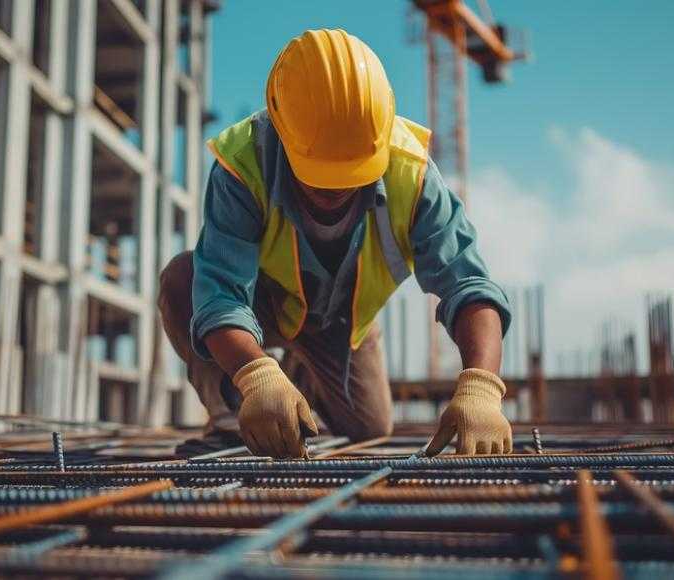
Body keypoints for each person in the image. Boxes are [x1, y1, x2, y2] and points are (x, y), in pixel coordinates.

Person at [159, 29, 512, 459]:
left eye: (350, 173)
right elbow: (220, 296)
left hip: (341, 319)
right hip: (263, 303)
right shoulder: (244, 164)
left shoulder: (413, 175)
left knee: (369, 429)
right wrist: (256, 377)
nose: (334, 191)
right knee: (183, 278)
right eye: (319, 173)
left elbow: (468, 285)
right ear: (282, 130)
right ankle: (231, 414)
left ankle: (299, 375)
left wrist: (481, 386)